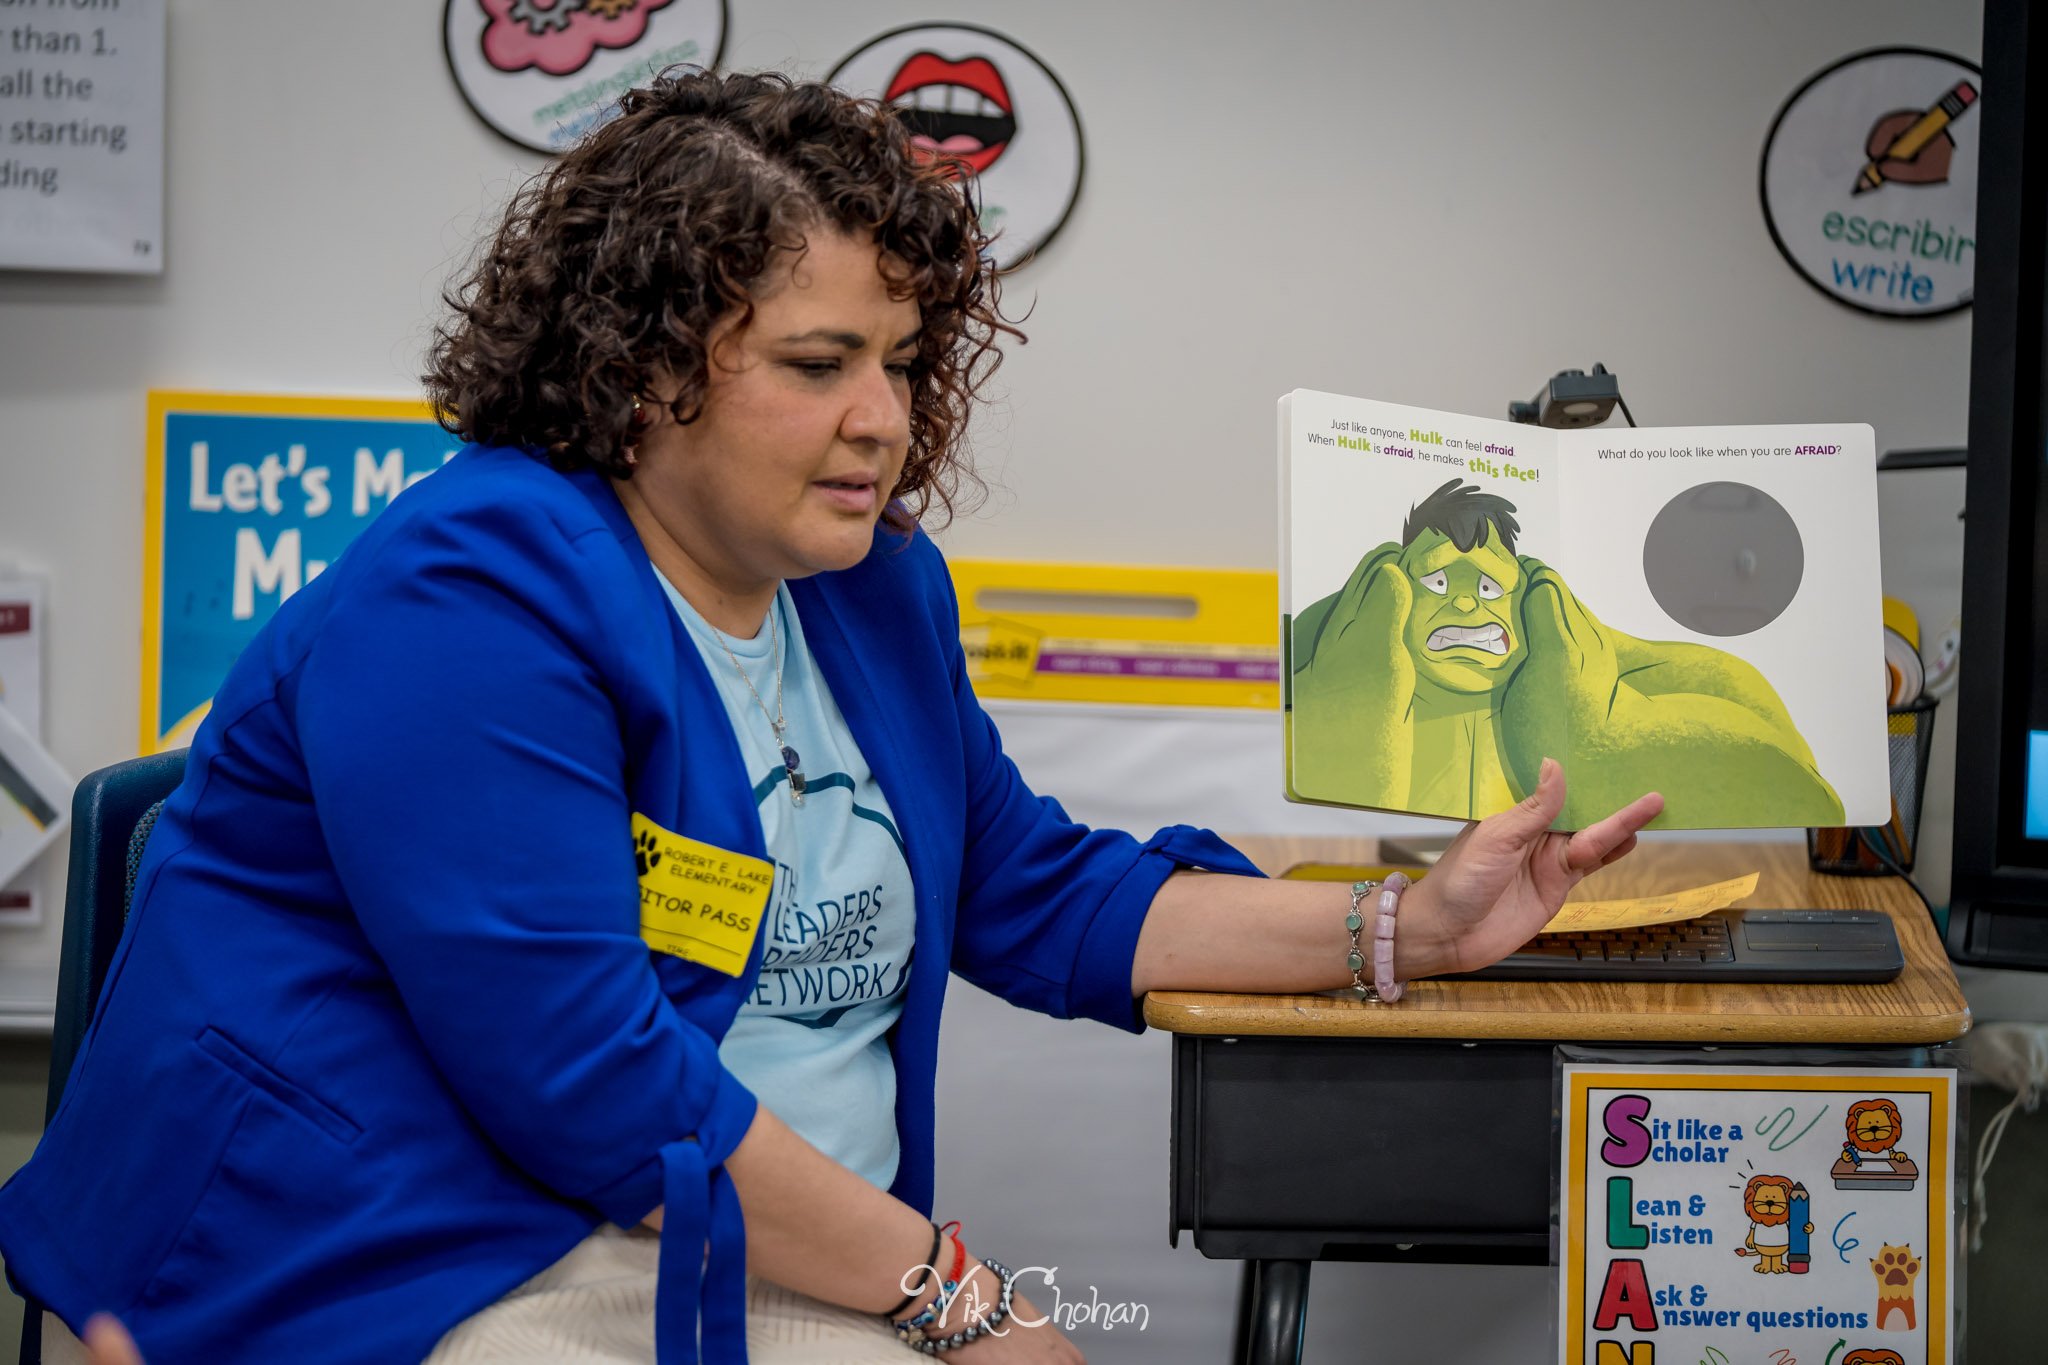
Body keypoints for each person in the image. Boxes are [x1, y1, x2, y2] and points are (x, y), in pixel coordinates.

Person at [0, 70, 1660, 1364]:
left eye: (904, 357)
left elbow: (1031, 890)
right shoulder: (466, 597)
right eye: (816, 362)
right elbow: (589, 1084)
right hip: (421, 1246)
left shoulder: (869, 588)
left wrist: (1409, 928)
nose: (882, 418)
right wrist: (948, 1292)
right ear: (642, 367)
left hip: (743, 1236)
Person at [1288, 477, 1843, 826]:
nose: (1464, 606)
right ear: (1398, 591)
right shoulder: (1343, 641)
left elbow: (1735, 697)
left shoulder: (1562, 644)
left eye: (1486, 589)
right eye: (1437, 585)